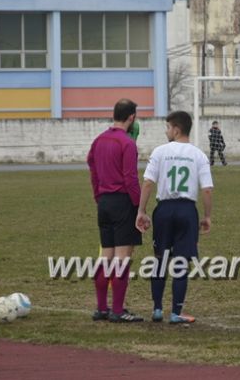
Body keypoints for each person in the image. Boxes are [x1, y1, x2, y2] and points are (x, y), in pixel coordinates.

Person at [136, 111, 213, 324]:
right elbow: (207, 190)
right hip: (187, 210)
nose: (166, 131)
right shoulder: (198, 155)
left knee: (160, 260)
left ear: (176, 129)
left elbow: (148, 183)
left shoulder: (160, 152)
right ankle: (176, 312)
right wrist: (207, 216)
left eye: (168, 127)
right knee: (180, 263)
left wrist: (141, 211)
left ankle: (157, 309)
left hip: (164, 209)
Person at [87, 98, 143, 323]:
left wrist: (98, 196)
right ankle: (118, 310)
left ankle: (102, 308)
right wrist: (139, 207)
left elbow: (92, 169)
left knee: (106, 257)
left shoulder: (99, 140)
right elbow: (130, 178)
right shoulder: (127, 143)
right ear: (131, 117)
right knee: (122, 259)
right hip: (122, 203)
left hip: (104, 203)